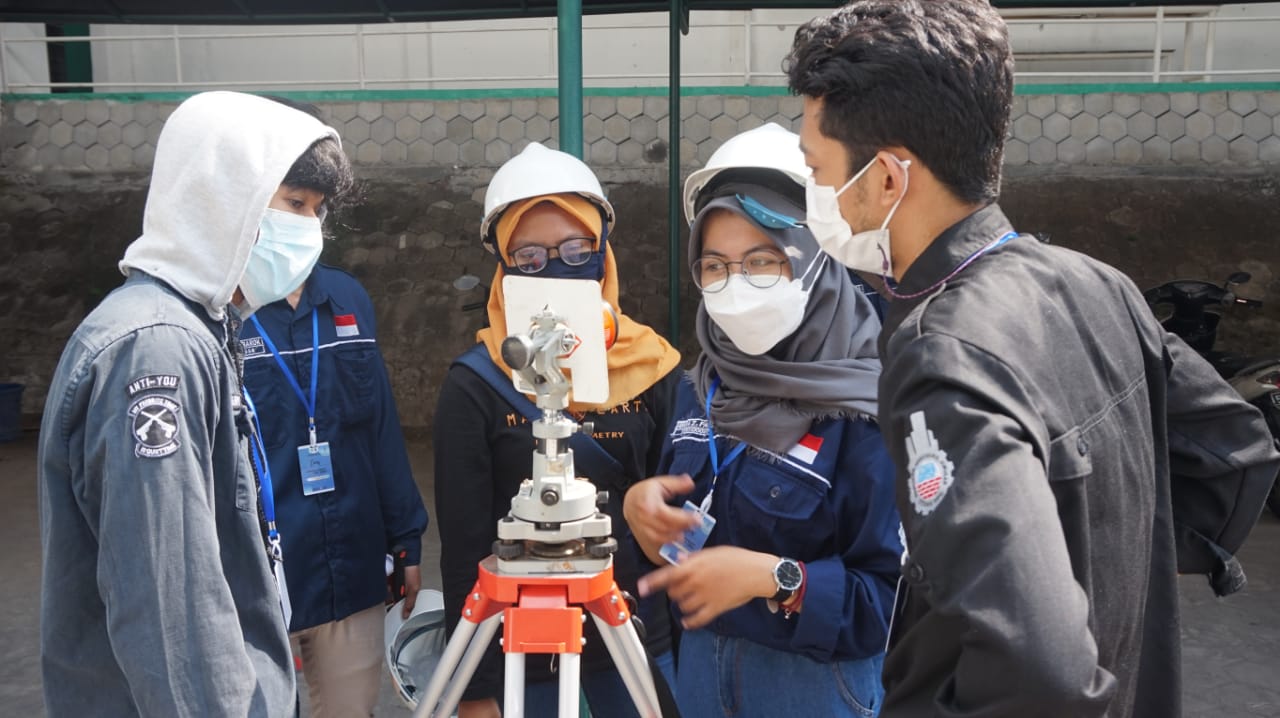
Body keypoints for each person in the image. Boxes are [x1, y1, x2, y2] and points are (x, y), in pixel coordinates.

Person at [784, 3, 1280, 716]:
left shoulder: (942, 353)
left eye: (816, 167)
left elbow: (1039, 669)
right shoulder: (1097, 281)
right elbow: (1238, 452)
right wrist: (1118, 560)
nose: (815, 194)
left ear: (889, 178)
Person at [37, 90, 351, 716]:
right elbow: (170, 608)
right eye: (294, 204)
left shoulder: (201, 329)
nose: (309, 231)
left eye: (318, 212)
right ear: (222, 197)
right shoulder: (157, 351)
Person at [624, 123, 902, 717]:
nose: (736, 287)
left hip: (815, 686)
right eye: (715, 266)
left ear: (815, 258)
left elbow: (891, 600)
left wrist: (776, 578)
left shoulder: (871, 408)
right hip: (701, 674)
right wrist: (641, 512)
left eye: (762, 261)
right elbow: (681, 532)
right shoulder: (699, 388)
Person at [433, 141, 683, 718]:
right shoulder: (476, 384)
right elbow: (465, 546)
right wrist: (475, 689)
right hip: (524, 652)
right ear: (503, 265)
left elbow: (679, 510)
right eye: (529, 257)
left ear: (603, 251)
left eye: (576, 249)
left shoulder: (654, 366)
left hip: (636, 634)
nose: (556, 266)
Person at [239, 259, 428, 716]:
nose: (301, 225)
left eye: (310, 217)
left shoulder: (347, 297)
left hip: (351, 566)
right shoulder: (220, 308)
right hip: (256, 578)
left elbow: (380, 427)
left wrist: (407, 539)